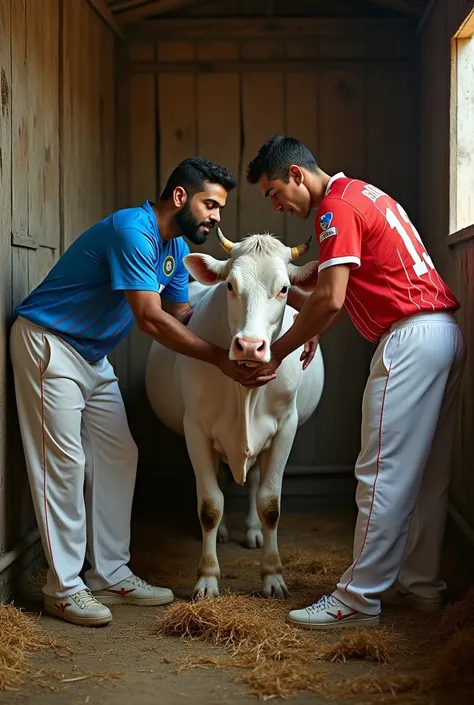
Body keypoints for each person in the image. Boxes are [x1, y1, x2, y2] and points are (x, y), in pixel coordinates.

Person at [11, 157, 316, 628]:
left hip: (91, 355)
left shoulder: (172, 250)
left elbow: (185, 314)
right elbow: (152, 320)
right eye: (210, 205)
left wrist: (293, 312)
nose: (216, 218)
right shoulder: (133, 230)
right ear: (180, 198)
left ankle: (110, 573)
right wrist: (220, 359)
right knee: (64, 465)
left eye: (219, 209)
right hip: (50, 342)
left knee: (119, 453)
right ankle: (65, 589)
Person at [240, 135, 466, 630]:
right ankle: (420, 584)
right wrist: (313, 319)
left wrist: (276, 352)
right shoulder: (364, 194)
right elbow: (333, 289)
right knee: (427, 474)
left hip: (408, 338)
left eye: (274, 191)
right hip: (442, 333)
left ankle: (357, 598)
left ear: (297, 174)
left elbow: (331, 297)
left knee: (379, 472)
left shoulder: (334, 210)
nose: (277, 204)